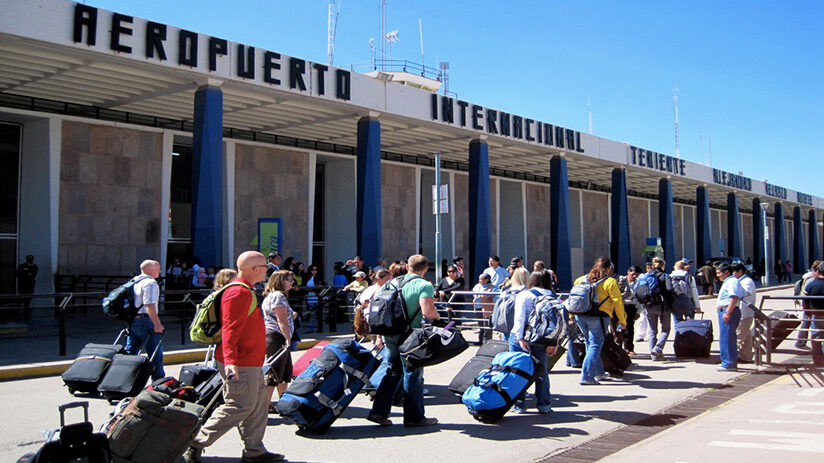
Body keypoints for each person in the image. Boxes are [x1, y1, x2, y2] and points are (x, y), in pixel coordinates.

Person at [185, 251, 284, 463]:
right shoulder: (238, 293)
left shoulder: (246, 289)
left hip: (251, 361)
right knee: (239, 405)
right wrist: (230, 362)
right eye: (264, 266)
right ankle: (195, 442)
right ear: (254, 270)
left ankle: (254, 451)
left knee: (257, 406)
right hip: (241, 362)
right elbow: (230, 330)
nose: (267, 269)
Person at [367, 254, 440, 427]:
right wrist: (437, 315)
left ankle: (379, 412)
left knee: (392, 371)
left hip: (388, 332)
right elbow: (428, 313)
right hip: (409, 335)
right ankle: (414, 417)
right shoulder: (423, 285)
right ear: (426, 268)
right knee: (412, 374)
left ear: (408, 266)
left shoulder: (391, 282)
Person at [573, 258, 626, 385]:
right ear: (608, 268)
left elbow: (573, 298)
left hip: (580, 315)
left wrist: (571, 314)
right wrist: (622, 320)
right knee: (596, 345)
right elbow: (617, 302)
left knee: (589, 343)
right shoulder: (610, 282)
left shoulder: (580, 279)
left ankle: (598, 372)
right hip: (599, 316)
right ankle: (586, 376)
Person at [509, 271, 555, 414]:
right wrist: (554, 342)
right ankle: (544, 404)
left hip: (523, 337)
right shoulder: (552, 296)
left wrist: (519, 337)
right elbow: (556, 321)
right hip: (542, 339)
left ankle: (519, 404)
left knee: (518, 371)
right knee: (541, 371)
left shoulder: (524, 295)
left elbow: (519, 319)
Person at [262, 270, 297, 413]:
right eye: (289, 279)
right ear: (280, 281)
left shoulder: (273, 296)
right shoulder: (278, 296)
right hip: (277, 337)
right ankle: (265, 404)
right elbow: (281, 320)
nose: (292, 282)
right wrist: (288, 340)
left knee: (284, 373)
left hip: (275, 336)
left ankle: (282, 401)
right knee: (274, 372)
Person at [126, 260, 165, 380]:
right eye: (158, 268)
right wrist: (157, 324)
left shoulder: (134, 281)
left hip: (133, 320)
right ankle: (158, 380)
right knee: (154, 352)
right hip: (146, 320)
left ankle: (123, 377)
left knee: (130, 351)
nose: (160, 271)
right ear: (151, 270)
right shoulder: (150, 283)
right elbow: (150, 305)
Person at [715, 263, 746, 372]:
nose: (717, 275)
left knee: (727, 337)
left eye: (719, 273)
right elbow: (744, 294)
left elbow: (734, 297)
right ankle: (728, 361)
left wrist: (728, 312)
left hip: (728, 310)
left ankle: (728, 363)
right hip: (726, 310)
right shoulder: (730, 282)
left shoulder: (732, 282)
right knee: (726, 336)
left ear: (726, 272)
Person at [643, 257, 673, 361]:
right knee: (665, 329)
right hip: (663, 305)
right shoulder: (665, 276)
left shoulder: (647, 276)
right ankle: (657, 348)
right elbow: (669, 289)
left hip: (649, 305)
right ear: (663, 266)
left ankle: (654, 356)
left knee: (652, 330)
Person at [733, 262, 757, 363]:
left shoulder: (747, 281)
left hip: (745, 313)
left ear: (740, 271)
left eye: (733, 271)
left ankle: (730, 356)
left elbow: (742, 294)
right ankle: (746, 356)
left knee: (738, 335)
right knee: (746, 336)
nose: (732, 274)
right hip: (741, 312)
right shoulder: (738, 281)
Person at [794, 261, 821, 349]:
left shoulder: (807, 276)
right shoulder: (812, 278)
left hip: (807, 303)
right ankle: (800, 342)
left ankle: (800, 342)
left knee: (806, 322)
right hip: (810, 304)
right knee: (806, 322)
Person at [801, 262, 824, 362]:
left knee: (816, 336)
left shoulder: (810, 283)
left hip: (816, 314)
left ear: (818, 271)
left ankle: (818, 359)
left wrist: (807, 312)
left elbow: (805, 301)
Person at [618, 265, 643, 355]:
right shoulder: (621, 281)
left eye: (636, 275)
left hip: (632, 307)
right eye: (633, 274)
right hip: (621, 306)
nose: (634, 276)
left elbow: (640, 298)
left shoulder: (639, 283)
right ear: (628, 272)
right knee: (619, 328)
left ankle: (629, 348)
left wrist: (638, 311)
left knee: (630, 328)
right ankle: (619, 347)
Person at [471, 273, 496, 344]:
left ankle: (487, 341)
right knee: (480, 324)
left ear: (487, 280)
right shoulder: (477, 286)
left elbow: (496, 296)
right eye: (479, 279)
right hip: (478, 307)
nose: (479, 280)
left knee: (487, 325)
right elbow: (474, 293)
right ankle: (480, 340)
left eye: (481, 279)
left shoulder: (492, 287)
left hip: (487, 308)